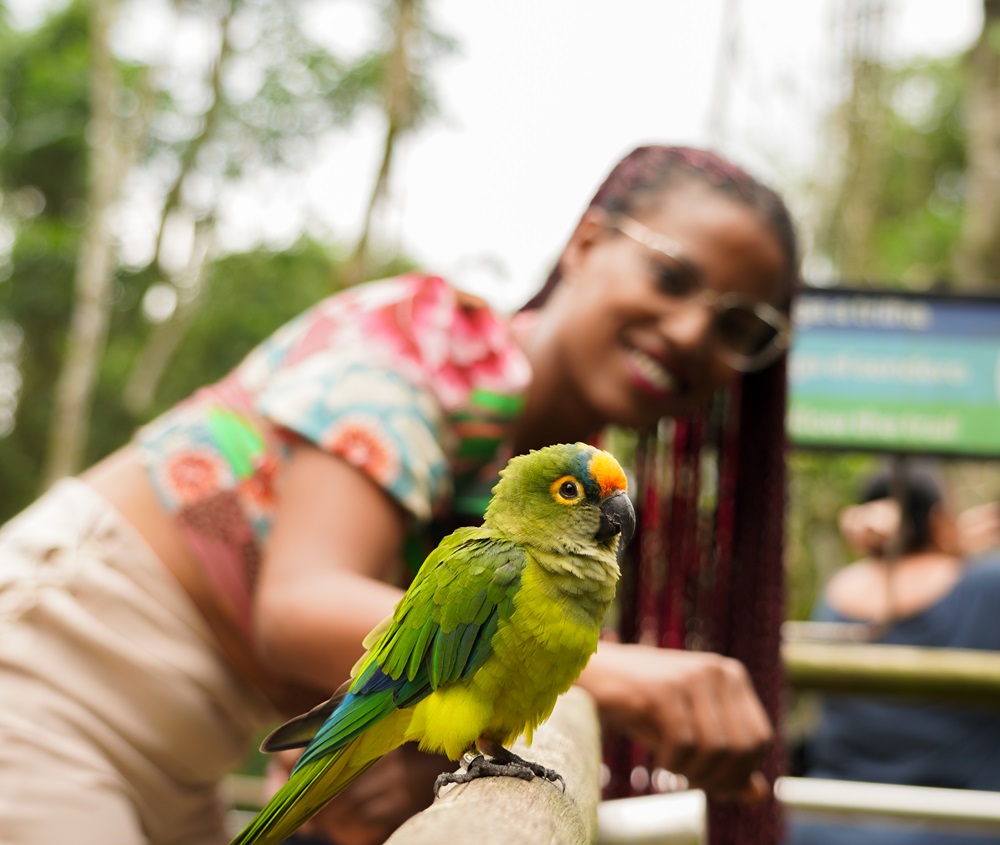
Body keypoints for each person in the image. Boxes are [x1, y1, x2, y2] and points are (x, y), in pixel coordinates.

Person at [0, 144, 797, 845]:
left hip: (192, 747)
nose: (694, 331)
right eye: (672, 275)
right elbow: (299, 605)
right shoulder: (420, 339)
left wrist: (413, 763)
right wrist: (621, 674)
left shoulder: (563, 486)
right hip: (53, 671)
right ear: (587, 240)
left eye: (740, 327)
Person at [786, 467, 1000, 845]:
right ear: (937, 520)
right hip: (961, 824)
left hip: (824, 822)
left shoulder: (839, 592)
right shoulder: (984, 584)